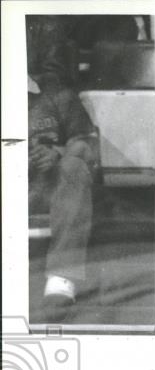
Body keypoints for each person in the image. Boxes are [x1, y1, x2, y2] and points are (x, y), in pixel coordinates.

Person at [28, 73, 98, 322]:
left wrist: (56, 153)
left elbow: (87, 145)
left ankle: (62, 276)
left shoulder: (58, 94)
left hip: (44, 189)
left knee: (74, 168)